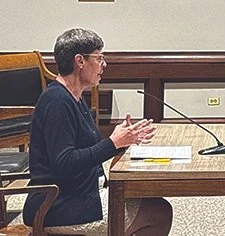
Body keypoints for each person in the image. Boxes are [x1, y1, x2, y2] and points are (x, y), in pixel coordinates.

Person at [22, 28, 173, 235]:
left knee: (154, 204)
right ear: (80, 61)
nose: (104, 64)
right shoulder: (57, 101)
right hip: (58, 204)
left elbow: (87, 149)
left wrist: (122, 139)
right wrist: (113, 143)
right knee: (159, 212)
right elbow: (64, 162)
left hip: (80, 192)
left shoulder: (75, 97)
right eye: (99, 58)